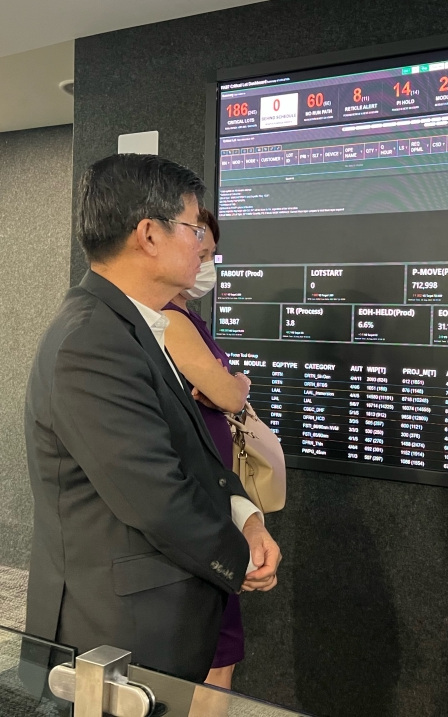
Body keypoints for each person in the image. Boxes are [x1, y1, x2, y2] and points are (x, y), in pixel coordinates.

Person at [24, 154, 281, 682]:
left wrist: (244, 514)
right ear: (148, 234)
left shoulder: (138, 325)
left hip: (149, 615)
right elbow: (156, 495)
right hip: (115, 633)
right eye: (191, 227)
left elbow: (188, 452)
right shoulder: (92, 341)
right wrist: (241, 557)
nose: (201, 246)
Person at [163, 207, 251, 689]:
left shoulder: (189, 317)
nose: (205, 261)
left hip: (215, 482)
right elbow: (227, 395)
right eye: (201, 248)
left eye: (212, 252)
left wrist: (229, 385)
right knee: (214, 646)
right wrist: (236, 384)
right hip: (197, 490)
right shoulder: (171, 320)